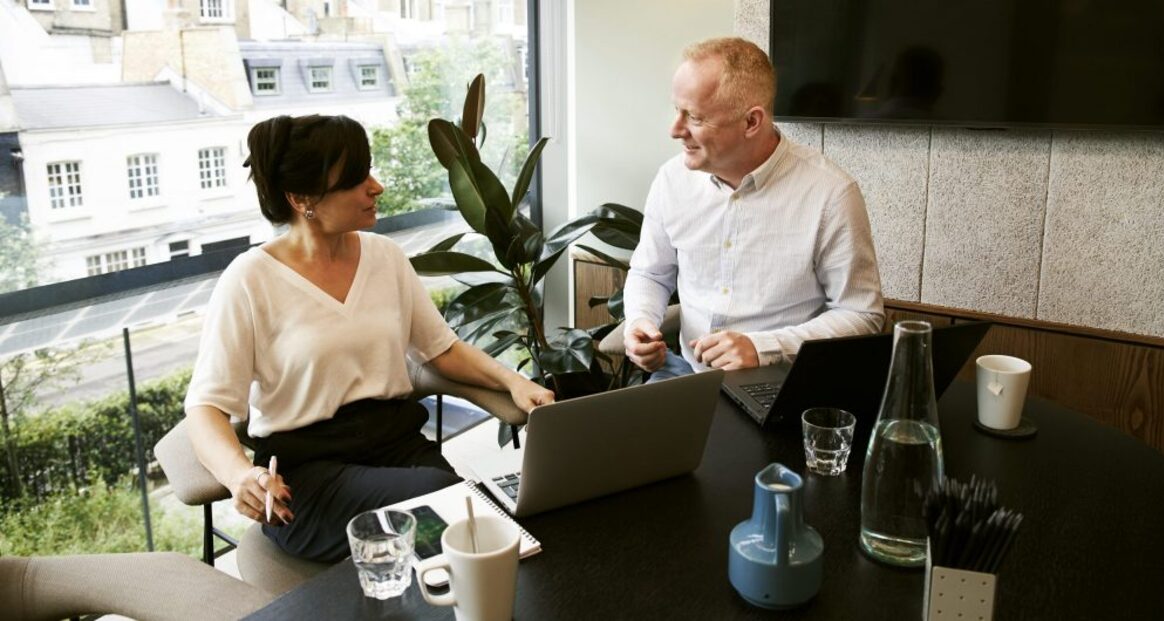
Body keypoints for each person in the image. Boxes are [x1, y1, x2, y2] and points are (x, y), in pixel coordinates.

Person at [183, 114, 554, 562]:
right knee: (455, 516)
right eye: (357, 179)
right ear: (303, 199)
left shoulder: (385, 257)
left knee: (485, 536)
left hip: (400, 449)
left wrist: (514, 382)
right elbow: (206, 408)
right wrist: (239, 474)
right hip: (311, 480)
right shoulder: (249, 279)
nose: (375, 186)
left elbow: (442, 349)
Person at [623, 38, 884, 379]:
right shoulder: (671, 180)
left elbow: (862, 314)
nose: (675, 130)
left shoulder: (831, 194)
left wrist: (764, 348)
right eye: (677, 110)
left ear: (751, 122)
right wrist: (641, 321)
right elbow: (650, 273)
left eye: (695, 117)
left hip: (783, 381)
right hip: (685, 374)